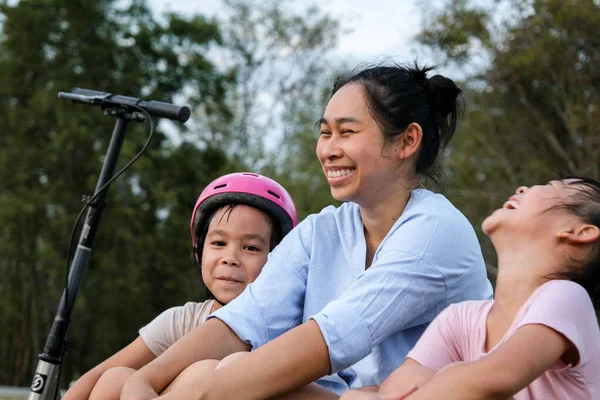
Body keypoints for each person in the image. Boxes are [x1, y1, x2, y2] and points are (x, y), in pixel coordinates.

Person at [120, 63, 494, 400]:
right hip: (342, 395)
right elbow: (244, 320)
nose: (328, 149)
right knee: (195, 370)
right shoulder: (322, 230)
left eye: (346, 132)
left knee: (221, 376)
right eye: (324, 132)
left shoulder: (435, 232)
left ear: (406, 141)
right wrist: (146, 380)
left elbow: (330, 338)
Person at [341, 177, 600, 400]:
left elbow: (496, 378)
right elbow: (396, 388)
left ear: (579, 231)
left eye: (548, 186)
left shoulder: (567, 296)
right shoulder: (460, 319)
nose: (523, 188)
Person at [62, 172, 298, 400]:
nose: (231, 257)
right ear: (199, 251)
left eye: (251, 248)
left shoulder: (289, 328)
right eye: (218, 243)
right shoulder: (183, 320)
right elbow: (97, 375)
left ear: (277, 259)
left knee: (208, 372)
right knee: (114, 378)